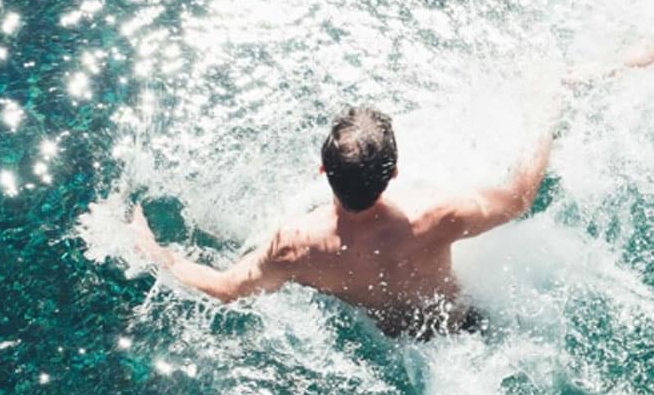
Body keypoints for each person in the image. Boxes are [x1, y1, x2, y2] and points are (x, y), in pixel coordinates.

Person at [121, 101, 555, 337]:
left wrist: (156, 253)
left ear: (324, 172)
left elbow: (225, 289)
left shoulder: (295, 246)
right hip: (461, 330)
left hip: (389, 347)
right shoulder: (435, 217)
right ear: (395, 173)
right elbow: (519, 198)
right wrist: (545, 111)